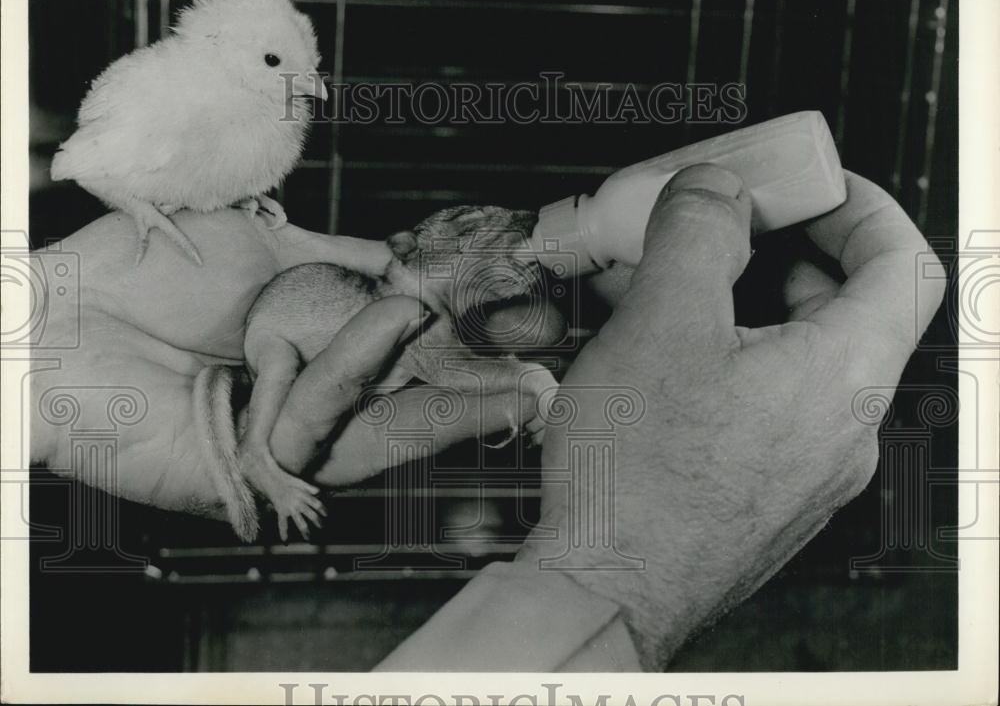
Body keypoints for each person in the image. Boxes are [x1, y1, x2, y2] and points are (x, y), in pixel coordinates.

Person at [29, 165, 944, 671]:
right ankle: (265, 465)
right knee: (283, 390)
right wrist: (638, 563)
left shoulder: (438, 314)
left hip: (302, 327)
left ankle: (264, 454)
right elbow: (394, 298)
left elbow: (477, 355)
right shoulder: (406, 294)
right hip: (283, 331)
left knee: (369, 388)